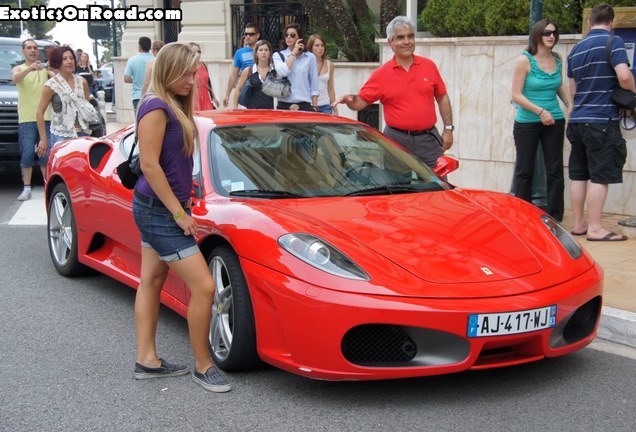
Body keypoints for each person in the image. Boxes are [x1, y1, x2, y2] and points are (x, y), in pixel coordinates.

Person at [132, 42, 231, 392]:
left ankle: (147, 359)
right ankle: (204, 365)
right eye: (188, 73)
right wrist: (178, 213)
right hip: (160, 210)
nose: (194, 79)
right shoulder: (156, 105)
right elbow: (148, 164)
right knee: (204, 287)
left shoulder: (171, 103)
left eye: (195, 72)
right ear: (169, 70)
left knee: (152, 280)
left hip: (161, 205)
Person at [334, 16, 454, 169]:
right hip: (396, 142)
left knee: (440, 187)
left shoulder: (429, 66)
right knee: (399, 190)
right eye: (400, 37)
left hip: (428, 141)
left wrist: (448, 129)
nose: (407, 41)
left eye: (410, 36)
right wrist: (350, 99)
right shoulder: (381, 74)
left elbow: (442, 96)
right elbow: (360, 102)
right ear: (390, 43)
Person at [566, 4, 635, 241]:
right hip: (602, 121)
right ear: (611, 23)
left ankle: (579, 224)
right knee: (599, 176)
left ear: (589, 23)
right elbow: (624, 76)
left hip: (577, 121)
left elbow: (573, 92)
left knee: (578, 174)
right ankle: (596, 228)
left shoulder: (575, 50)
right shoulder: (612, 42)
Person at [510, 19, 571, 222]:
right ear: (537, 35)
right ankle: (522, 215)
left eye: (554, 32)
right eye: (547, 33)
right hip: (528, 121)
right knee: (524, 170)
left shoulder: (558, 58)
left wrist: (569, 104)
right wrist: (540, 111)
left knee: (554, 170)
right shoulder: (524, 61)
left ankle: (555, 217)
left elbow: (558, 85)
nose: (551, 36)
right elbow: (516, 95)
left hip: (554, 120)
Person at [12, 38, 52, 201]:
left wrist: (49, 69)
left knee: (46, 154)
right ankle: (26, 188)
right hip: (27, 118)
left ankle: (47, 186)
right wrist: (29, 69)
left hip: (45, 117)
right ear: (23, 51)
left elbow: (56, 79)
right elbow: (16, 79)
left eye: (35, 48)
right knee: (27, 153)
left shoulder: (44, 70)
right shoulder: (19, 68)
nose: (33, 50)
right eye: (29, 48)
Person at [36, 46, 92, 150]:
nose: (69, 61)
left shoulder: (82, 81)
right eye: (64, 59)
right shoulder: (50, 85)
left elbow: (86, 106)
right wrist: (43, 139)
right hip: (60, 136)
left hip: (82, 133)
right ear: (58, 62)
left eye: (71, 58)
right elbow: (39, 112)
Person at [273, 23, 319, 111]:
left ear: (299, 38)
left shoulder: (309, 57)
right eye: (286, 35)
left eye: (292, 35)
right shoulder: (278, 56)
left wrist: (315, 106)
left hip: (304, 105)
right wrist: (293, 53)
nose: (289, 37)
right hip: (284, 105)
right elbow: (283, 72)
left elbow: (314, 83)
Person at [223, 23, 260, 107]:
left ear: (258, 35)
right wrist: (227, 95)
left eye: (251, 34)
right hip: (245, 90)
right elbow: (233, 74)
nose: (248, 36)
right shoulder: (240, 52)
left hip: (261, 93)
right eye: (246, 34)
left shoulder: (263, 50)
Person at [232, 39, 275, 109]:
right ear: (256, 53)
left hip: (269, 111)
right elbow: (238, 90)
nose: (263, 52)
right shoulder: (249, 70)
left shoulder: (274, 71)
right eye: (261, 50)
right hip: (252, 111)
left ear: (270, 53)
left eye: (266, 50)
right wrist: (234, 108)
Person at [307, 34, 337, 115]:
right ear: (311, 48)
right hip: (309, 105)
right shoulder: (305, 64)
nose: (320, 48)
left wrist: (335, 107)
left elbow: (330, 89)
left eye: (322, 45)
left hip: (325, 106)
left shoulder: (329, 64)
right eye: (317, 45)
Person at [124, 36, 154, 110]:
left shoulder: (132, 60)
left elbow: (126, 79)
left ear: (139, 46)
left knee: (139, 119)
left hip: (137, 96)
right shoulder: (155, 60)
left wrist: (134, 79)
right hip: (153, 95)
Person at [188, 42, 219, 110]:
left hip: (205, 96)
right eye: (195, 51)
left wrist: (214, 98)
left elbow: (208, 83)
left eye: (199, 51)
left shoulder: (204, 65)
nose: (198, 54)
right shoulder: (188, 66)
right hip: (195, 96)